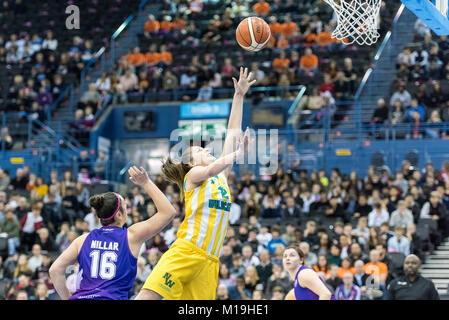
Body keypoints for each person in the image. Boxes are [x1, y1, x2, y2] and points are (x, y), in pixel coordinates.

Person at [136, 67, 256, 300]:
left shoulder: (220, 178)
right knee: (148, 297)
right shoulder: (192, 177)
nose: (208, 150)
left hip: (210, 261)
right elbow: (213, 166)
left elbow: (232, 132)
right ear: (191, 163)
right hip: (186, 251)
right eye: (201, 149)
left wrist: (238, 96)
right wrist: (236, 156)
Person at [49, 166, 177, 300]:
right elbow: (168, 212)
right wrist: (146, 183)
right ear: (120, 215)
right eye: (125, 207)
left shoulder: (83, 240)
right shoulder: (131, 236)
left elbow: (54, 270)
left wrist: (66, 298)